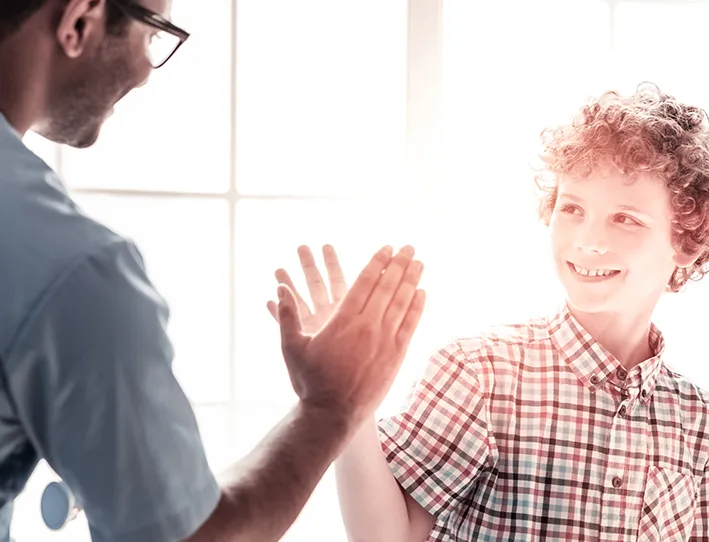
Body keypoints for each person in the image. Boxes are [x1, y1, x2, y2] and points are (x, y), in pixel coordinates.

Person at [0, 1, 427, 541]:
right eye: (153, 34)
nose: (145, 75)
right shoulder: (72, 270)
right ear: (79, 20)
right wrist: (332, 405)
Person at [279, 84, 709, 541]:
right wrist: (349, 403)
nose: (587, 239)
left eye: (625, 218)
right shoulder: (481, 372)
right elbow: (387, 535)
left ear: (687, 240)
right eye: (572, 209)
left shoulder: (705, 426)